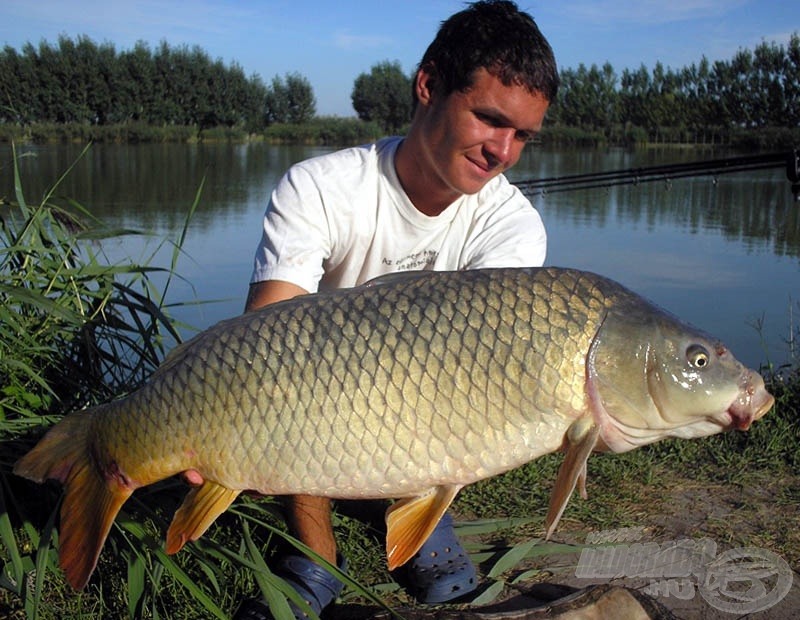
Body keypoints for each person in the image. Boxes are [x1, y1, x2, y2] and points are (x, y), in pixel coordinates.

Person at [234, 1, 559, 618]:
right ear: (429, 86)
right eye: (489, 119)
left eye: (521, 135)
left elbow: (475, 385)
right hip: (303, 399)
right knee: (299, 385)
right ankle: (315, 554)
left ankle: (411, 521)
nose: (504, 152)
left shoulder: (513, 224)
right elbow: (264, 344)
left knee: (437, 384)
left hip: (425, 408)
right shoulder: (320, 187)